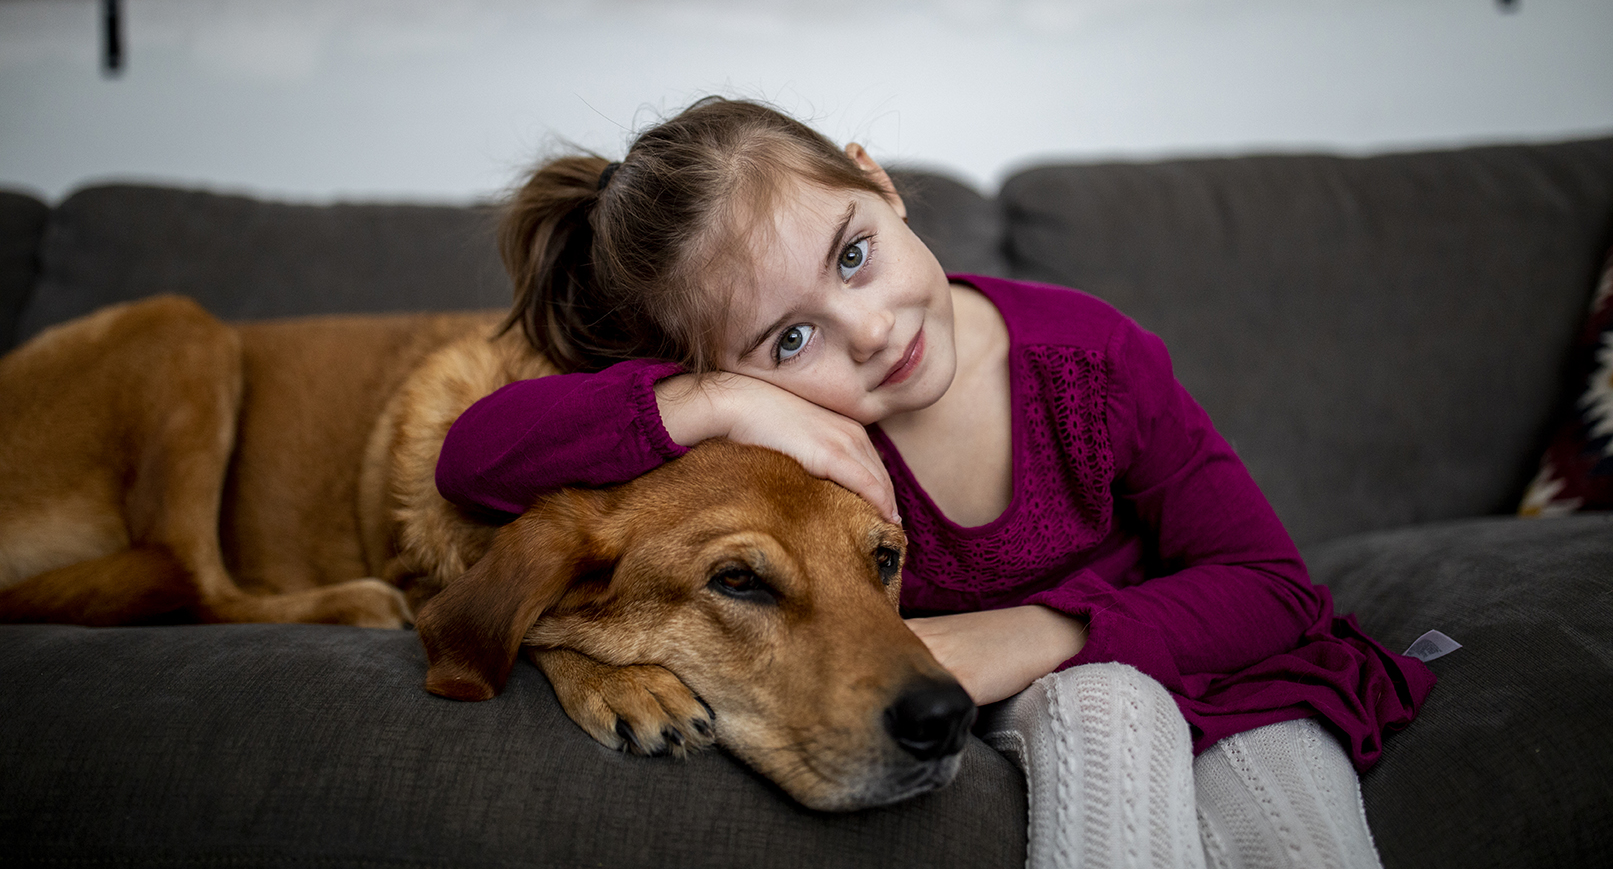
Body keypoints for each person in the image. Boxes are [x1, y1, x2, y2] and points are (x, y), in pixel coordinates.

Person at [435, 97, 1434, 869]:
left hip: (1224, 664)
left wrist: (1038, 632)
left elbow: (1272, 587)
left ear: (877, 180)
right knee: (1102, 709)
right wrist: (710, 410)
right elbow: (472, 458)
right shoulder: (790, 456)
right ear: (722, 370)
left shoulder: (1091, 357)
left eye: (854, 254)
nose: (868, 329)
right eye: (789, 338)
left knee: (1291, 815)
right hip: (1073, 704)